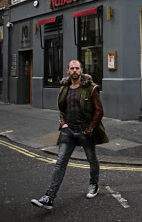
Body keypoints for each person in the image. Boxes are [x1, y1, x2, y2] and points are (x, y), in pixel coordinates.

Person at [31, 60, 109, 209]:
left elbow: (99, 111)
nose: (74, 70)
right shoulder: (64, 88)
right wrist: (63, 123)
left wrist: (89, 129)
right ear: (67, 70)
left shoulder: (91, 88)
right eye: (72, 68)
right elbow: (61, 107)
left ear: (81, 70)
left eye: (77, 68)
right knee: (60, 162)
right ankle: (49, 196)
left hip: (84, 131)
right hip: (68, 131)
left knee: (92, 159)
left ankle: (94, 184)